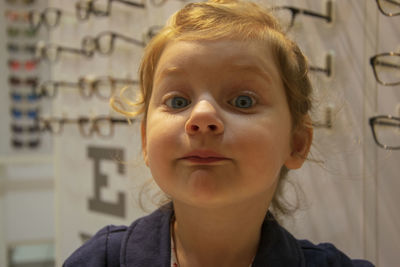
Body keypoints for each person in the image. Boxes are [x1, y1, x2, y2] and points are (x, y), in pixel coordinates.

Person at [64, 0, 374, 266]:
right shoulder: (100, 260)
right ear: (145, 141)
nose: (201, 117)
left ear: (296, 142)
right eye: (178, 101)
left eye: (243, 101)